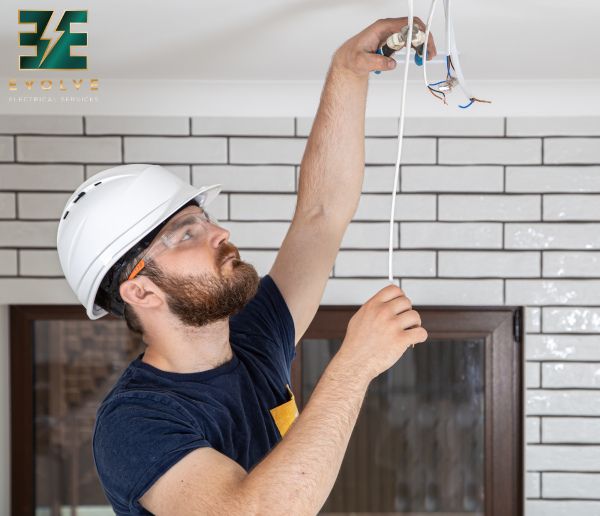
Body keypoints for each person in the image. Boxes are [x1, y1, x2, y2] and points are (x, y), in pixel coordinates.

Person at [55, 16, 436, 515]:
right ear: (141, 291)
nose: (220, 234)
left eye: (204, 220)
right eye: (187, 233)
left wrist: (346, 71)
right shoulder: (137, 422)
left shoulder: (254, 338)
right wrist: (355, 364)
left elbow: (320, 216)